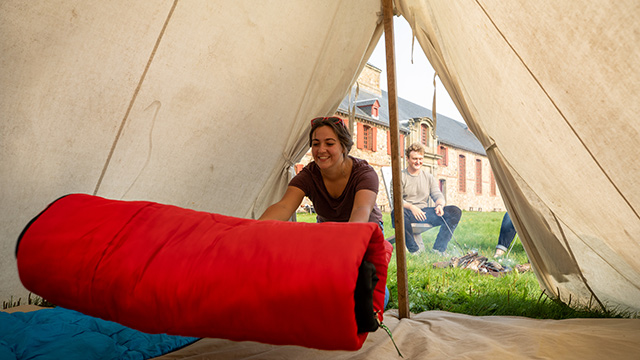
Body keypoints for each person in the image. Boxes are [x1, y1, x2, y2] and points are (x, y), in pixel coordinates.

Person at [259, 116, 388, 306]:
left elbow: (361, 210)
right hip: (328, 232)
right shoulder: (309, 175)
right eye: (315, 143)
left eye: (329, 143)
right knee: (321, 287)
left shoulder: (364, 173)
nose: (321, 150)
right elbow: (284, 206)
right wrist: (254, 230)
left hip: (363, 232)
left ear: (344, 146)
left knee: (365, 292)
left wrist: (347, 249)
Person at [391, 142, 462, 255]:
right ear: (408, 159)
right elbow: (395, 199)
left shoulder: (428, 177)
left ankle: (438, 249)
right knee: (399, 212)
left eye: (420, 158)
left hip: (424, 214)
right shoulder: (400, 176)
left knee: (455, 211)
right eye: (414, 158)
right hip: (406, 213)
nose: (418, 162)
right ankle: (414, 250)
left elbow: (437, 195)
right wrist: (411, 207)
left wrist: (439, 205)